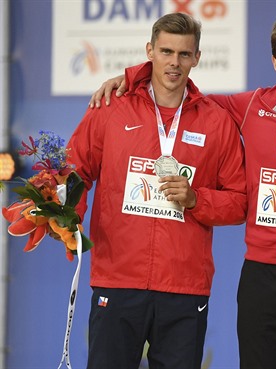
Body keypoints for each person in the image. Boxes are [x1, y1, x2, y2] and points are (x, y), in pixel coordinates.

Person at [90, 16, 276, 369]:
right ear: (275, 62)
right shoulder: (250, 107)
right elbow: (176, 90)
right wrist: (132, 77)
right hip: (261, 272)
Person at [69, 13, 247, 369]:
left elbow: (239, 202)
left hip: (184, 288)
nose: (174, 62)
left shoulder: (216, 122)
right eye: (166, 51)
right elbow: (75, 171)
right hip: (117, 279)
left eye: (184, 54)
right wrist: (66, 221)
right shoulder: (110, 107)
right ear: (149, 51)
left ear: (197, 57)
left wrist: (197, 198)